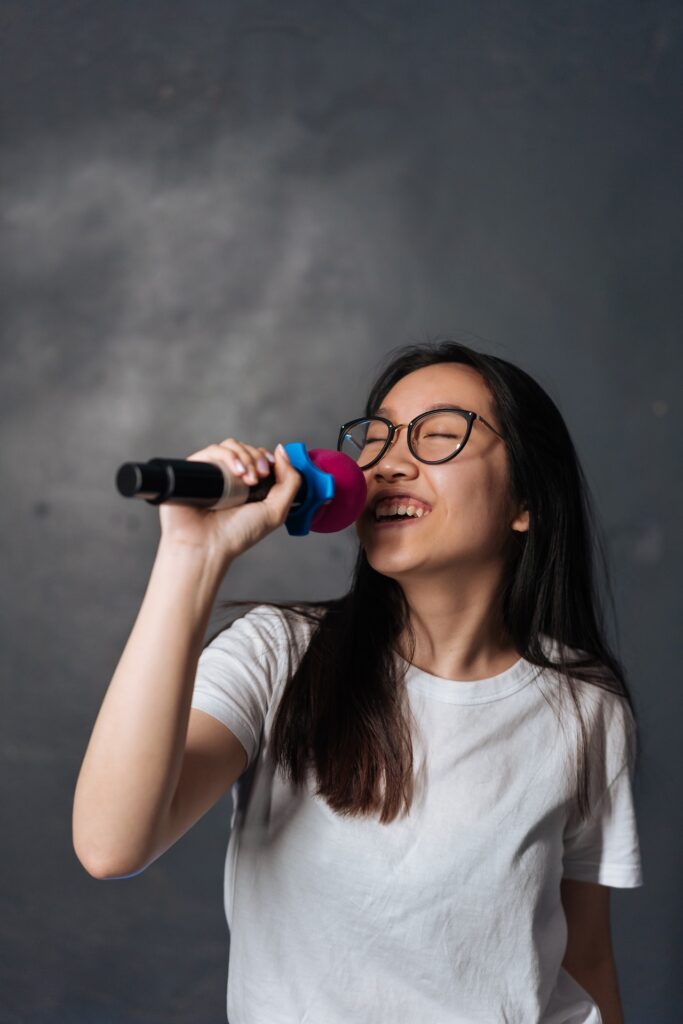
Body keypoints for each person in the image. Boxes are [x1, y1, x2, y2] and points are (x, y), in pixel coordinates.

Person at [72, 340, 643, 1024]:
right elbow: (111, 845)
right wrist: (192, 556)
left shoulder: (584, 706)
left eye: (437, 435)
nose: (388, 462)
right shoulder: (278, 654)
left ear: (525, 500)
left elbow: (585, 955)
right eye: (376, 438)